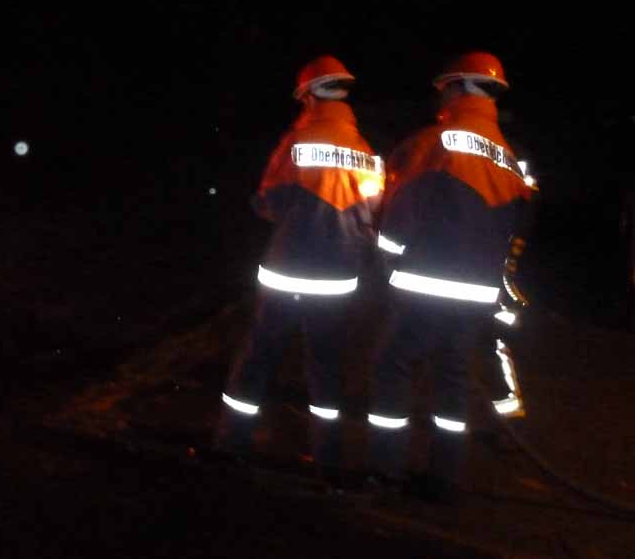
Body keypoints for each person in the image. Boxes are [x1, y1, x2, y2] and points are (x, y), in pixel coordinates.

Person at [369, 51, 535, 501]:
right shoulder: (505, 154)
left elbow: (404, 205)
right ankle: (444, 480)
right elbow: (514, 221)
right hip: (476, 292)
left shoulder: (439, 140)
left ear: (457, 86)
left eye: (444, 88)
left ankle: (385, 471)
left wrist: (386, 259)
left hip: (424, 282)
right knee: (453, 381)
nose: (440, 97)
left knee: (392, 370)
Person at [217, 56, 382, 482]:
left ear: (308, 95)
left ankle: (231, 446)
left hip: (289, 271)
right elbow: (372, 212)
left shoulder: (298, 140)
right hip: (340, 278)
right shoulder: (365, 151)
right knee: (326, 369)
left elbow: (269, 201)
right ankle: (328, 460)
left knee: (258, 360)